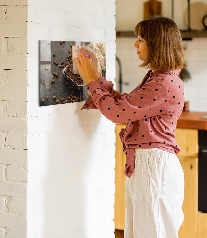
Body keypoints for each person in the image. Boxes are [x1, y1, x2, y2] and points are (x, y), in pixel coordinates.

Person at [74, 16, 186, 238]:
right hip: (149, 165)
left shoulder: (163, 83)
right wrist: (96, 76)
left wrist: (89, 80)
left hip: (154, 167)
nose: (135, 44)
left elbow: (117, 113)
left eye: (141, 39)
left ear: (157, 44)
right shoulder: (159, 78)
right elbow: (125, 105)